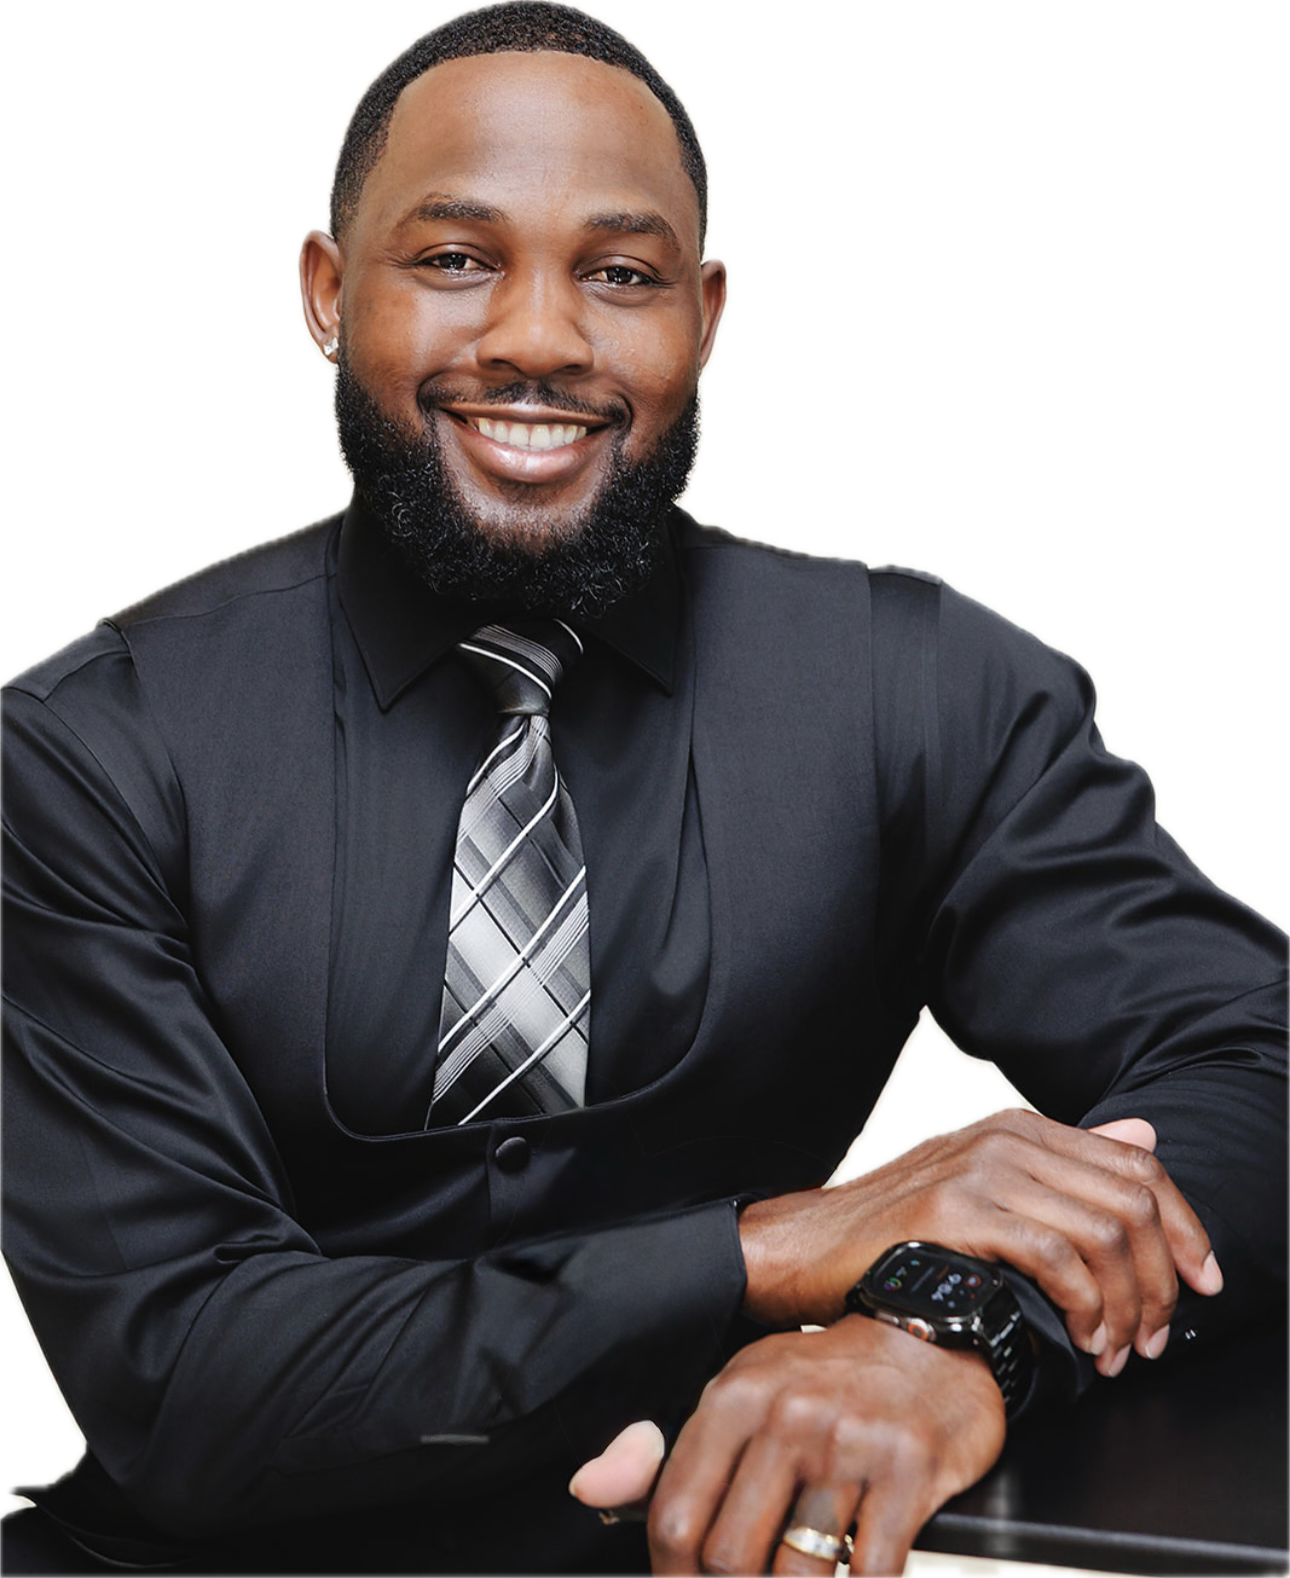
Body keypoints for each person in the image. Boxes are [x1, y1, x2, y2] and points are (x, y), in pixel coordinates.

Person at [2, 4, 1286, 1575]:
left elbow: (1253, 1062)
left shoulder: (918, 689)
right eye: (455, 257)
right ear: (327, 293)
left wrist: (950, 1329)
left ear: (705, 312)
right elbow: (191, 1379)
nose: (540, 336)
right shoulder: (90, 749)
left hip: (723, 1548)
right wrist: (771, 1250)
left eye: (619, 274)